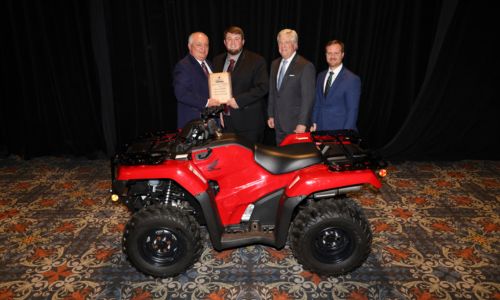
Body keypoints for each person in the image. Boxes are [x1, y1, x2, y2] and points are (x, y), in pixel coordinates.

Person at [212, 26, 269, 143]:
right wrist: (219, 111)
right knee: (230, 159)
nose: (233, 43)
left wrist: (238, 100)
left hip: (249, 123)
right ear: (224, 42)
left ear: (243, 42)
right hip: (226, 123)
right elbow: (216, 89)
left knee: (250, 159)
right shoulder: (217, 61)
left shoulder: (257, 60)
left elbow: (263, 87)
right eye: (229, 39)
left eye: (237, 39)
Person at [267, 29, 316, 145]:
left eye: (287, 42)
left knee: (295, 160)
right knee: (281, 158)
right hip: (278, 124)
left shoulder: (305, 66)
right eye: (280, 42)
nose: (283, 46)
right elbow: (273, 92)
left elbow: (308, 98)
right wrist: (271, 115)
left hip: (296, 126)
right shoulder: (274, 64)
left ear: (295, 45)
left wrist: (302, 123)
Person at [311, 40, 361, 132]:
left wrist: (346, 133)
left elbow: (352, 110)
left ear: (342, 55)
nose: (332, 56)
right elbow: (317, 102)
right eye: (329, 53)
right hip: (320, 129)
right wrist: (313, 122)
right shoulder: (320, 76)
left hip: (339, 131)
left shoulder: (352, 79)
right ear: (325, 55)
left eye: (336, 53)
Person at [173, 32, 219, 128]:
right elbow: (181, 94)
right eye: (199, 45)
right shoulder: (183, 66)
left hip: (212, 121)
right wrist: (206, 102)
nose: (203, 48)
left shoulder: (209, 64)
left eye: (206, 45)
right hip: (194, 123)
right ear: (190, 46)